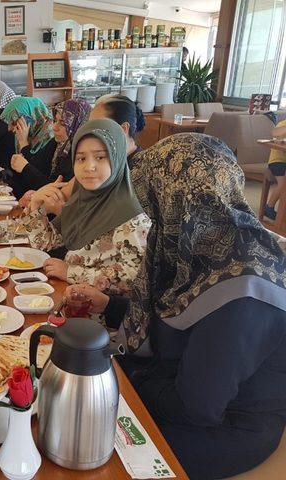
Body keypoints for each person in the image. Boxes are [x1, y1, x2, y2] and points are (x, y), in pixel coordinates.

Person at [65, 133, 286, 480]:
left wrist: (119, 376)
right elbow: (177, 321)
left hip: (224, 428)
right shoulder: (201, 247)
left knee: (81, 434)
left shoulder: (245, 288)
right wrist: (110, 305)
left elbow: (196, 407)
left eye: (152, 201)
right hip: (176, 383)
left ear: (175, 201)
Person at [17, 119, 150, 294]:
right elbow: (43, 245)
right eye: (81, 158)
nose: (89, 167)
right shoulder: (82, 201)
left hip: (96, 315)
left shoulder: (131, 217)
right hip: (66, 298)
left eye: (100, 157)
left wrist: (71, 272)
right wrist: (36, 206)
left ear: (117, 159)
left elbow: (135, 277)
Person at [27, 95, 146, 215]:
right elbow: (59, 195)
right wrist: (39, 197)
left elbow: (103, 223)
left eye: (98, 126)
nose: (91, 132)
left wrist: (62, 213)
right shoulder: (91, 160)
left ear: (123, 129)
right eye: (89, 126)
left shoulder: (139, 172)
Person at [16, 98, 91, 206]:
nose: (54, 127)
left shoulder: (79, 154)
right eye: (55, 121)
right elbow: (36, 164)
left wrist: (25, 167)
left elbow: (57, 191)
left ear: (77, 125)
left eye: (63, 123)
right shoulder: (58, 143)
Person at [0, 97, 55, 198]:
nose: (10, 128)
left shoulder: (50, 137)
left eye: (15, 122)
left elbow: (35, 176)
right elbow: (19, 175)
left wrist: (24, 144)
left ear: (30, 118)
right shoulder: (25, 134)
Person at [265, 119, 286, 220]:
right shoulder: (283, 123)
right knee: (284, 183)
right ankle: (269, 206)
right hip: (278, 161)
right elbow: (274, 133)